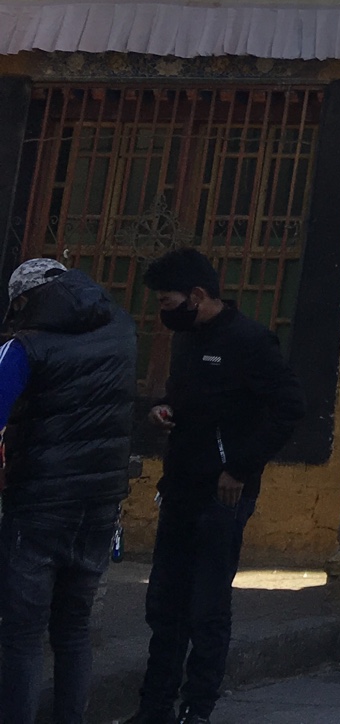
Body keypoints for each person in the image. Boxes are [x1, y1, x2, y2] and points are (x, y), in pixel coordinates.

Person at [130, 250, 304, 724]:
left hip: (222, 494)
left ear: (199, 295)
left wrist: (241, 467)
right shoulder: (188, 340)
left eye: (169, 300)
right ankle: (154, 707)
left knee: (207, 607)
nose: (165, 310)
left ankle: (198, 708)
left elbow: (288, 408)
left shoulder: (249, 342)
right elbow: (190, 398)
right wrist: (164, 410)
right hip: (180, 486)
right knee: (164, 605)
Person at [0, 258, 138, 724]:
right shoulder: (120, 329)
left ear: (23, 301)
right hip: (101, 503)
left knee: (21, 635)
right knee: (73, 629)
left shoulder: (26, 346)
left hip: (40, 504)